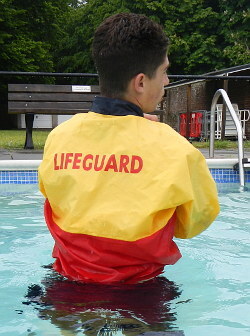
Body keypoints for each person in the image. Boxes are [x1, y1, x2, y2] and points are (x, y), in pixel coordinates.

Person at [38, 12, 220, 284]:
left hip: (63, 285)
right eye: (164, 71)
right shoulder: (174, 148)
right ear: (141, 82)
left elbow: (55, 196)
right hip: (140, 292)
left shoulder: (60, 136)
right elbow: (197, 220)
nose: (167, 81)